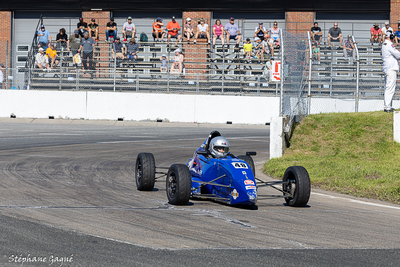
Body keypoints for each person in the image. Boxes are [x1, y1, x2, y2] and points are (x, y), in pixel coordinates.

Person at [382, 30, 400, 112]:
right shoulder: (389, 44)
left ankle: (388, 106)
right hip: (391, 69)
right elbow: (398, 55)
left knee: (388, 87)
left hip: (388, 68)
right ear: (391, 37)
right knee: (390, 88)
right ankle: (387, 107)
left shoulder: (385, 44)